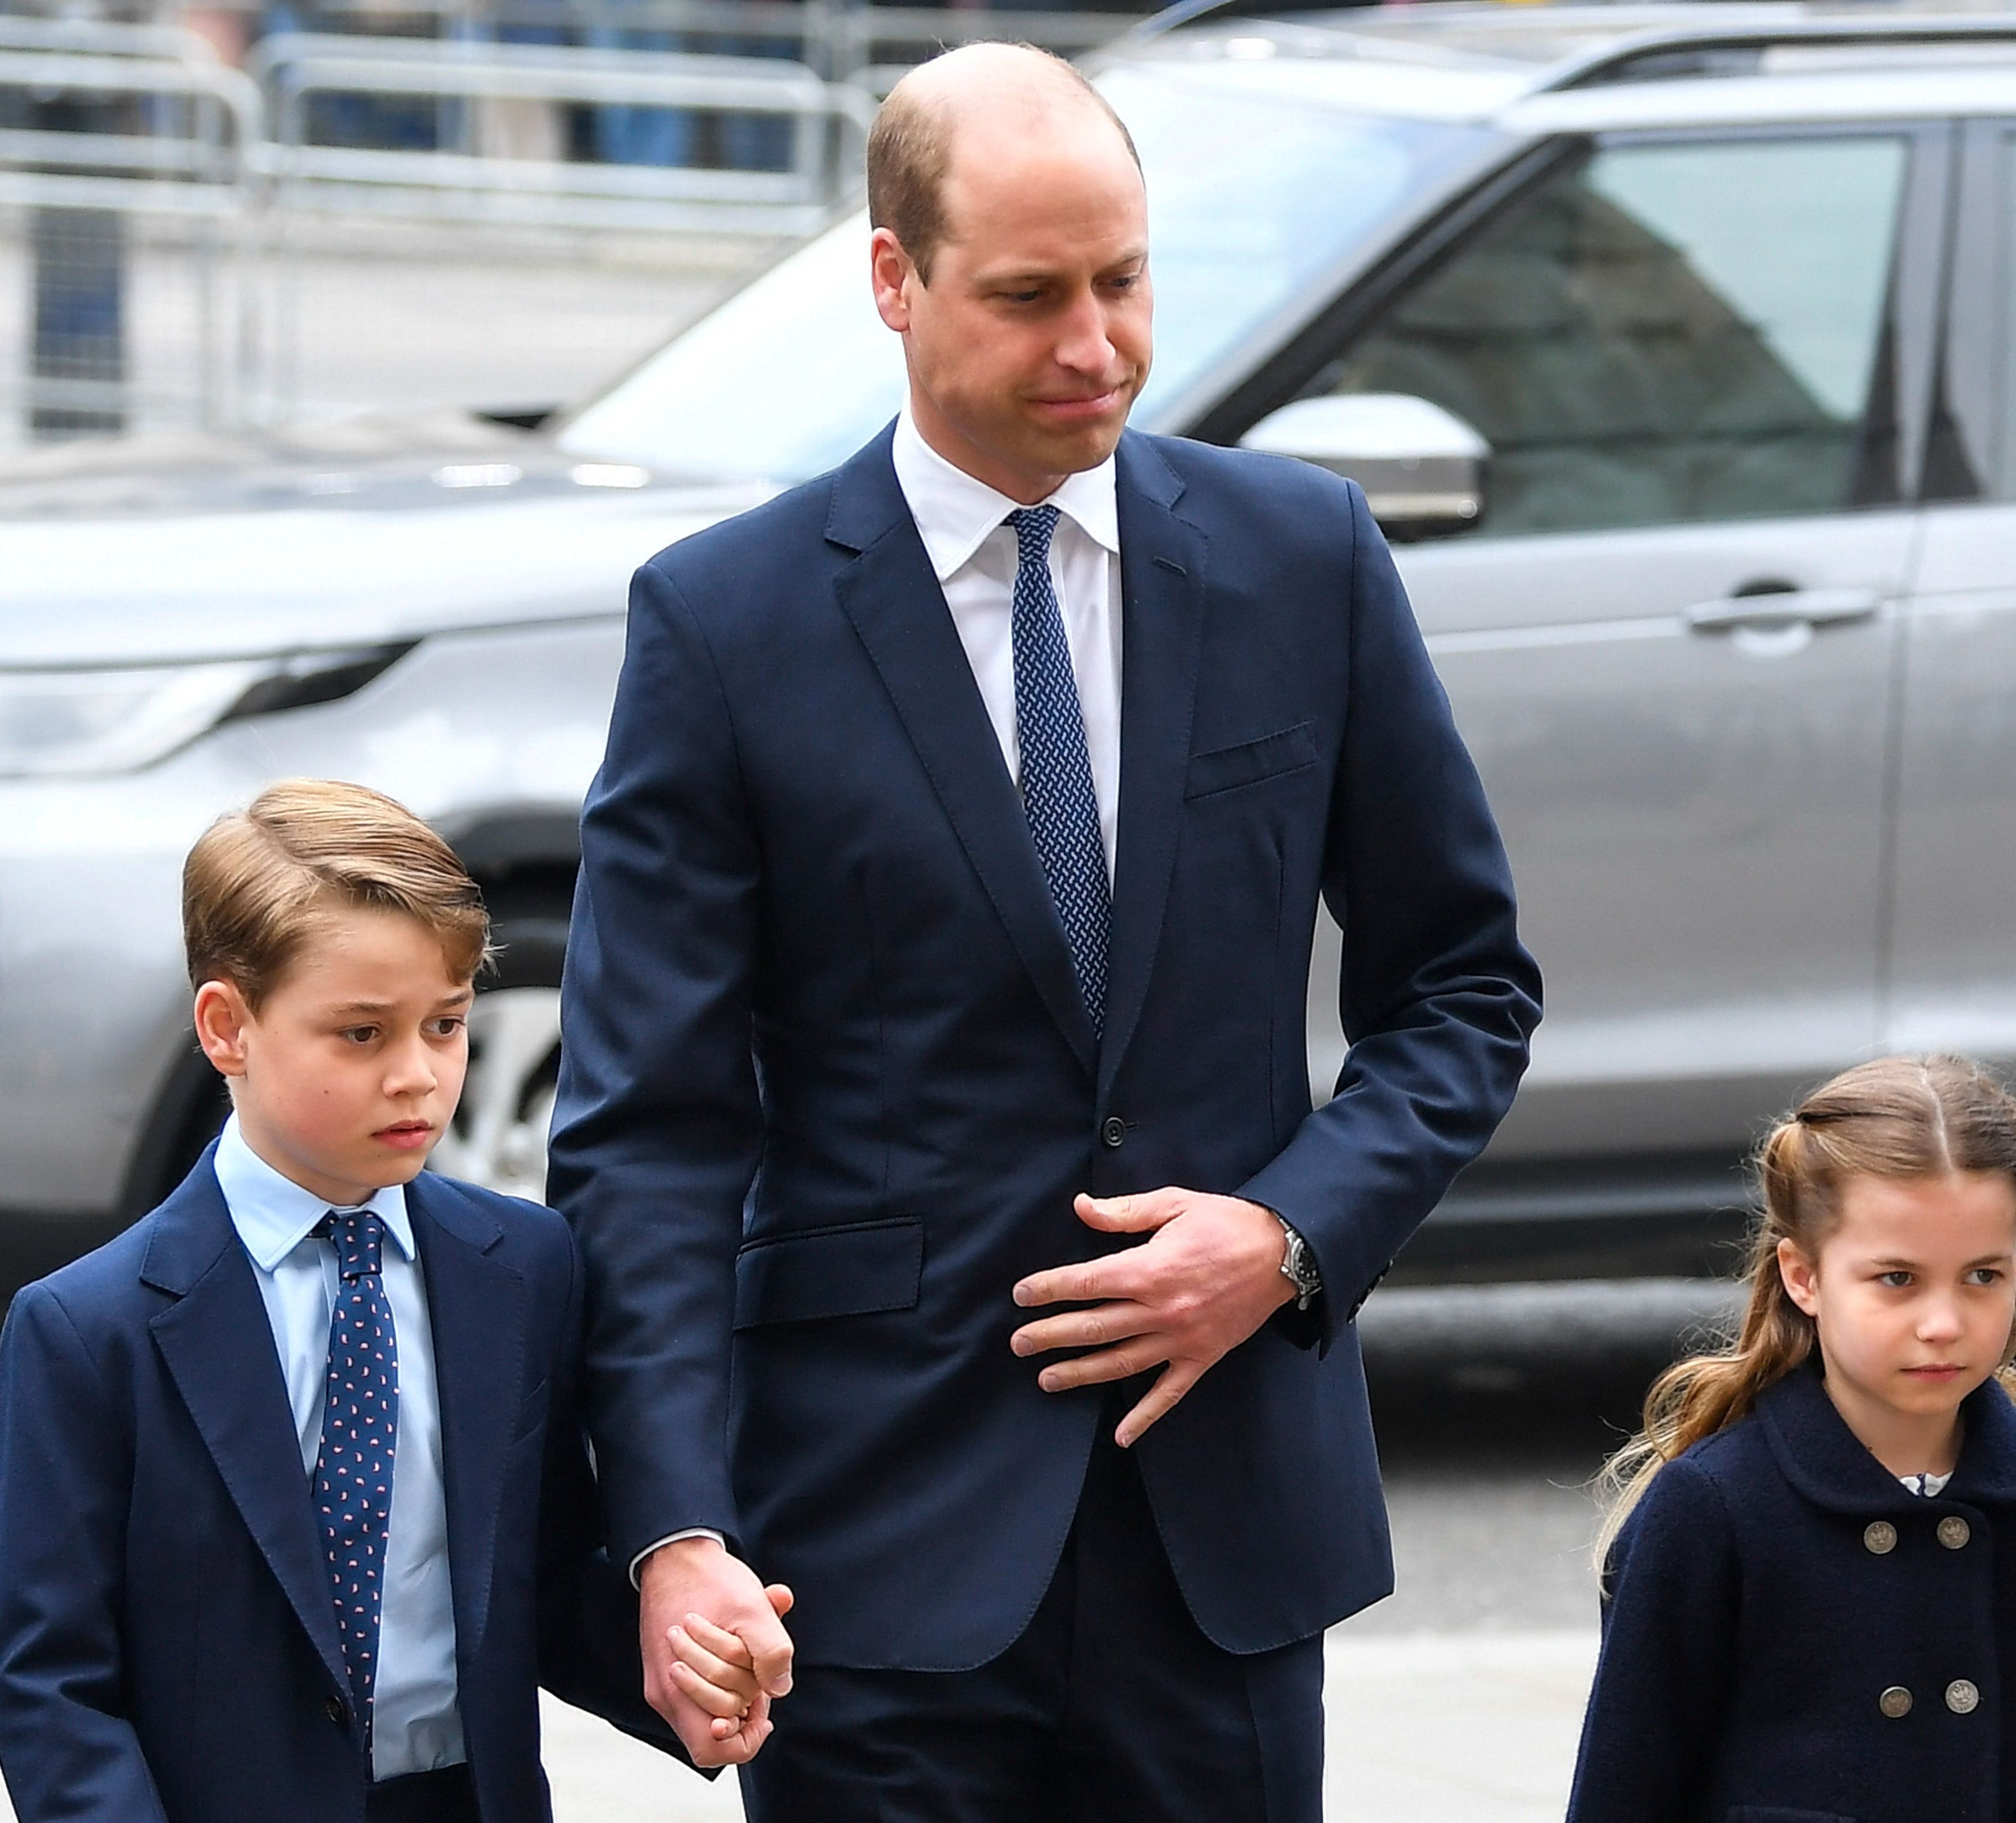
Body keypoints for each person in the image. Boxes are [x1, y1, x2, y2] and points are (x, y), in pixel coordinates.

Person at [545, 39, 1541, 1817]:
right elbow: (650, 1132)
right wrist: (673, 1531)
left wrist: (1287, 1235)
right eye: (1027, 297)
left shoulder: (1300, 557)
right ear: (890, 280)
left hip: (1219, 1539)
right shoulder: (722, 625)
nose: (1095, 346)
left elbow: (1460, 988)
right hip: (861, 1552)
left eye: (1124, 280)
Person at [0, 780, 727, 1823]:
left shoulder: (524, 1265)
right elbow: (52, 1686)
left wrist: (692, 1668)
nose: (421, 1076)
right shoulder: (85, 1330)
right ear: (226, 1025)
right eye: (363, 1034)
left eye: (447, 1023)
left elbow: (542, 1576)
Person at [1566, 1055, 2016, 1823]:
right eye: (1897, 1278)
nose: (1943, 1322)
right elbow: (1626, 1788)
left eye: (1981, 1276)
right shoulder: (1713, 1504)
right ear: (1803, 1275)